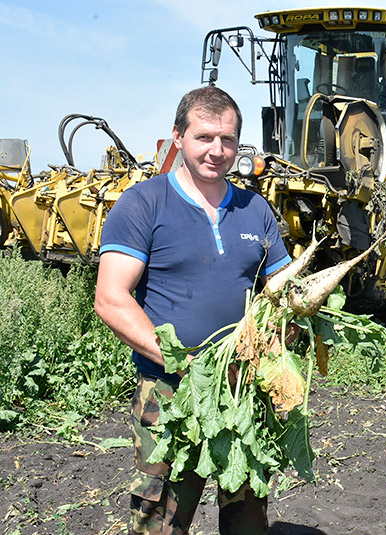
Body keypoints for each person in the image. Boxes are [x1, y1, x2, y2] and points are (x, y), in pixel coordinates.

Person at [94, 86, 292, 535]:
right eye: (204, 137)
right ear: (178, 137)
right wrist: (184, 364)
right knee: (161, 516)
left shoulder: (254, 208)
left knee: (247, 513)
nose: (217, 151)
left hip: (243, 388)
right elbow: (110, 298)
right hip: (168, 392)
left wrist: (291, 321)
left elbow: (279, 289)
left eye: (228, 140)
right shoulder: (144, 203)